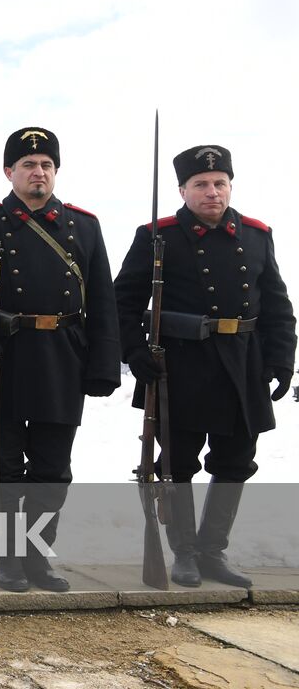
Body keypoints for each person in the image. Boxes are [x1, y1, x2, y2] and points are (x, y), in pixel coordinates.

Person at [0, 126, 120, 592]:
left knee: (52, 472)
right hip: (3, 358)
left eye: (46, 165)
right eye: (28, 165)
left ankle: (38, 558)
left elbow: (103, 302)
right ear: (9, 172)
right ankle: (9, 561)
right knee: (3, 471)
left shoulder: (84, 226)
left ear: (55, 171)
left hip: (63, 358)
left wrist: (104, 364)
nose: (38, 172)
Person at [114, 144, 295, 588]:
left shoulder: (255, 234)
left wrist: (281, 358)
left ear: (229, 186)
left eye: (220, 183)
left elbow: (277, 304)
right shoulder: (157, 235)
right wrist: (135, 353)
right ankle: (185, 554)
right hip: (181, 364)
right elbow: (123, 300)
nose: (212, 192)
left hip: (243, 362)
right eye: (201, 184)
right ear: (183, 190)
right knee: (178, 463)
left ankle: (213, 551)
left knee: (236, 460)